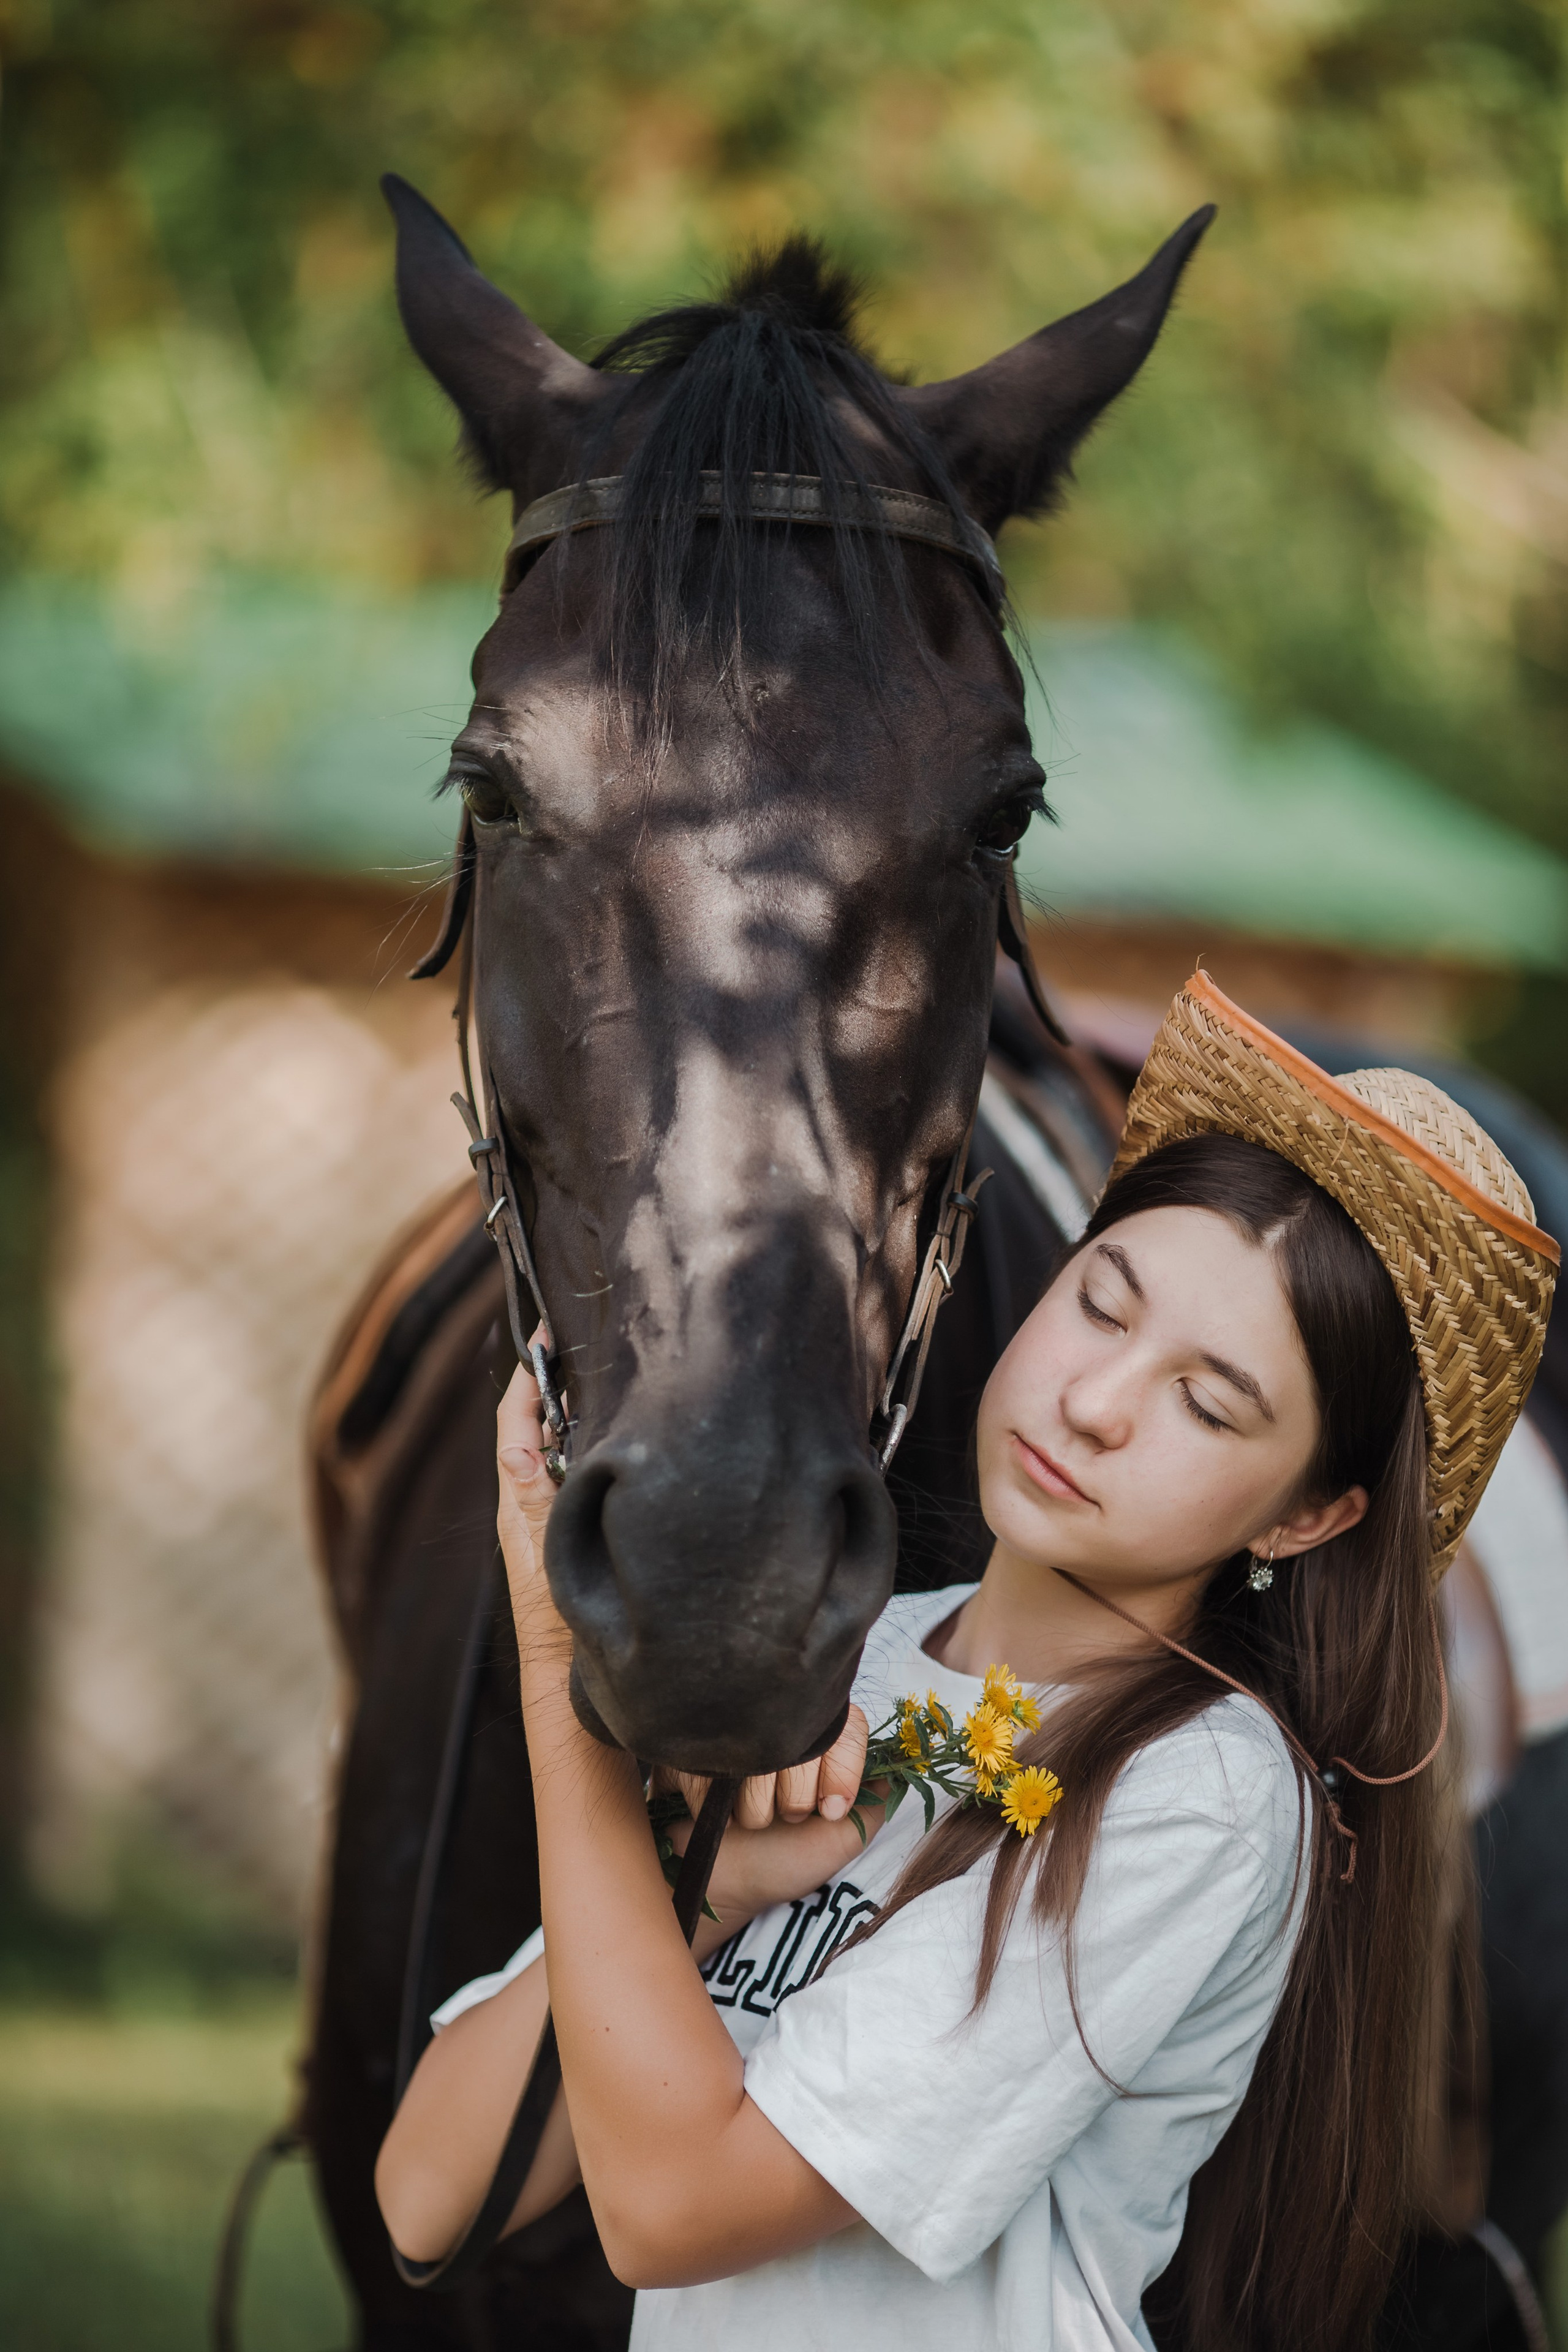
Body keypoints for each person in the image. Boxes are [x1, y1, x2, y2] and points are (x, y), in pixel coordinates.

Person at [374, 972, 1558, 2352]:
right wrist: (701, 1887)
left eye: (1205, 1402)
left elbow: (670, 2205)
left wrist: (554, 1669)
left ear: (1305, 1514)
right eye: (1100, 1306)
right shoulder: (851, 1658)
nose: (1095, 1402)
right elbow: (425, 2195)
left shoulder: (1199, 1796)